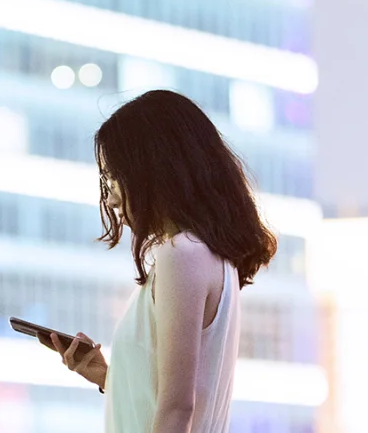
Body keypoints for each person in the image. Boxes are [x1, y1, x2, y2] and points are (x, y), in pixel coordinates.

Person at [42, 90, 276, 433]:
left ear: (150, 169)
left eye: (111, 176)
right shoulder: (207, 255)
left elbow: (178, 407)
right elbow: (179, 397)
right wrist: (106, 374)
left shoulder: (183, 255)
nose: (108, 197)